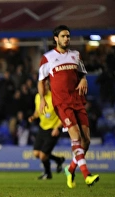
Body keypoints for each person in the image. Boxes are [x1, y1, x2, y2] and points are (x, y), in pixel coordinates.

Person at [38, 25, 99, 188]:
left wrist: (84, 79)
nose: (66, 39)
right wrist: (43, 98)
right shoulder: (48, 57)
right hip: (61, 103)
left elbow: (82, 73)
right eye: (63, 36)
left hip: (77, 101)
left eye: (68, 36)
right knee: (76, 135)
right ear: (56, 39)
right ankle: (87, 175)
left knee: (86, 141)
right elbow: (41, 80)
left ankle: (70, 169)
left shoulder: (75, 55)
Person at [28, 81, 65, 180]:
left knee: (43, 156)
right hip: (43, 127)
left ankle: (48, 174)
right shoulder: (38, 97)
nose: (42, 88)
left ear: (48, 86)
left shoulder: (55, 97)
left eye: (45, 86)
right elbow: (38, 111)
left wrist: (58, 128)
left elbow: (63, 114)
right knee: (36, 153)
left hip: (53, 129)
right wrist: (33, 117)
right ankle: (58, 159)